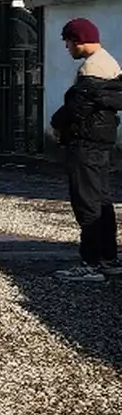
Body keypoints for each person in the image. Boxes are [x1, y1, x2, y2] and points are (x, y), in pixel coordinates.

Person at [49, 16, 122, 281]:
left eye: (68, 43)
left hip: (86, 142)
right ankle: (108, 257)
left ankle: (90, 262)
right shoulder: (110, 64)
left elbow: (77, 107)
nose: (67, 48)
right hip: (101, 141)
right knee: (101, 200)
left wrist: (57, 122)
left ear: (77, 41)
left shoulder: (92, 70)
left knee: (87, 202)